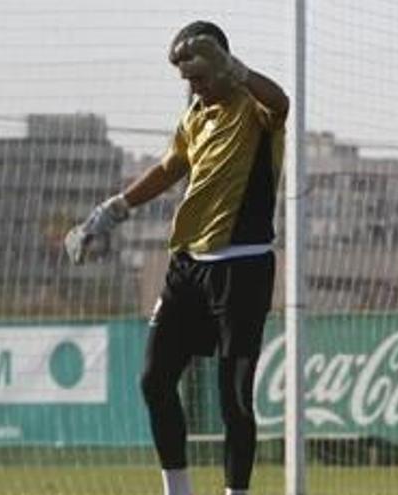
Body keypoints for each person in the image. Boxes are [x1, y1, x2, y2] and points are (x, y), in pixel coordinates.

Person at [65, 20, 288, 495]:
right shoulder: (194, 115)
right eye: (186, 79)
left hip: (243, 265)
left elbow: (282, 102)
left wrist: (238, 71)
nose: (193, 86)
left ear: (225, 65)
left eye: (200, 75)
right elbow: (171, 166)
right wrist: (110, 211)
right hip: (188, 265)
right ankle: (178, 490)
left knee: (234, 398)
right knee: (154, 379)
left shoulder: (253, 108)